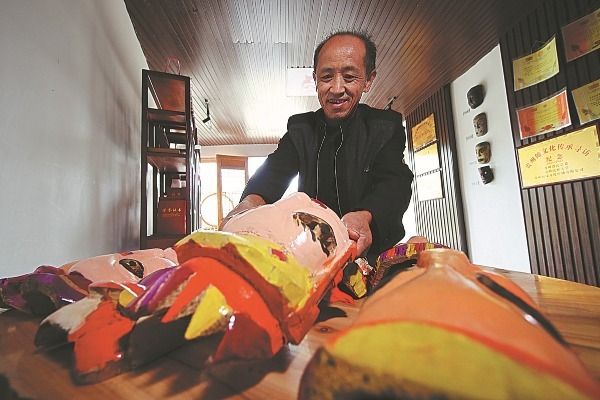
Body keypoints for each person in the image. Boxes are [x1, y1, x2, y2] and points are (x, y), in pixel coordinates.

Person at [220, 30, 413, 262]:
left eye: (349, 77)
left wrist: (364, 216)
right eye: (327, 77)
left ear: (368, 80)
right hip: (313, 254)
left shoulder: (385, 127)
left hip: (371, 254)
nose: (337, 88)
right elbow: (274, 171)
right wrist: (248, 204)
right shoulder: (301, 129)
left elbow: (395, 183)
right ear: (315, 80)